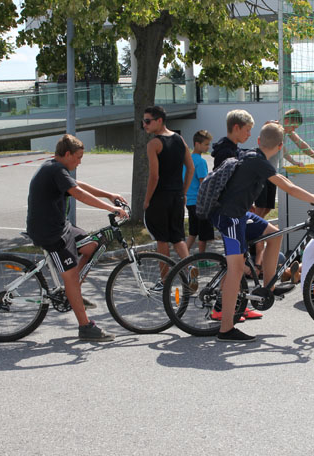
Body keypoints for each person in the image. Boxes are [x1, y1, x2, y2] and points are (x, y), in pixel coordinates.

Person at [211, 122, 314, 342]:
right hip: (229, 217)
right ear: (280, 147)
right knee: (236, 270)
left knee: (275, 233)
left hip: (239, 214)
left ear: (259, 141)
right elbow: (289, 188)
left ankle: (269, 285)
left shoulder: (255, 157)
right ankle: (226, 329)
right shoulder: (258, 162)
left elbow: (284, 181)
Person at [26, 134, 128, 341]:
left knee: (93, 245)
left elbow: (78, 185)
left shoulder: (56, 167)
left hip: (62, 227)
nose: (80, 162)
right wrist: (111, 208)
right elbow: (79, 194)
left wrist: (109, 195)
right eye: (78, 157)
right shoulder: (55, 169)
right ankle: (85, 326)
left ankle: (73, 294)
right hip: (50, 233)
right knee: (71, 276)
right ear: (67, 154)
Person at [142, 105, 195, 288]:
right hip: (177, 196)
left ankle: (165, 280)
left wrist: (147, 199)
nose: (145, 125)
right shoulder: (179, 139)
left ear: (159, 120)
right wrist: (184, 192)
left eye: (147, 121)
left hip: (160, 197)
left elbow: (154, 176)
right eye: (143, 121)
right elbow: (190, 168)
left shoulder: (154, 144)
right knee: (178, 237)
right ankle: (190, 269)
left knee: (162, 239)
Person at [253, 109, 314, 219]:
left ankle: (256, 226)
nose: (293, 130)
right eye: (293, 127)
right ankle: (250, 226)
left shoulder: (285, 132)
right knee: (260, 207)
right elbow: (266, 127)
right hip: (263, 173)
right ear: (287, 121)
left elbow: (300, 145)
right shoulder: (273, 127)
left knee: (267, 208)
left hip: (272, 173)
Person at [185, 130, 215, 253]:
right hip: (200, 202)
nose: (208, 147)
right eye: (206, 144)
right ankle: (202, 258)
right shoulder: (201, 162)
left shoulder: (187, 159)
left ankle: (184, 256)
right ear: (197, 144)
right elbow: (203, 183)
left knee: (193, 232)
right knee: (203, 233)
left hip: (189, 201)